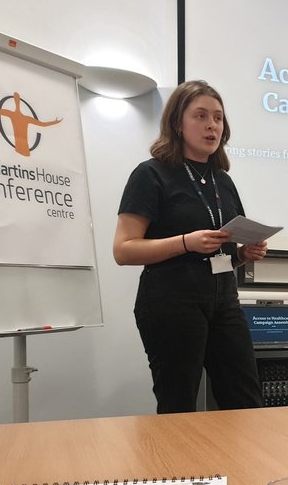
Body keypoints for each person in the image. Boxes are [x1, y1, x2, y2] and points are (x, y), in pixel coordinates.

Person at [113, 80, 267, 413]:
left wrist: (242, 254)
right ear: (177, 123)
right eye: (200, 116)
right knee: (179, 405)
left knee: (246, 401)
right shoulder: (151, 174)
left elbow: (219, 251)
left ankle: (239, 467)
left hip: (224, 302)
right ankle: (177, 469)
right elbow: (123, 250)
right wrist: (186, 242)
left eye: (218, 118)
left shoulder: (222, 181)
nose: (212, 125)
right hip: (171, 303)